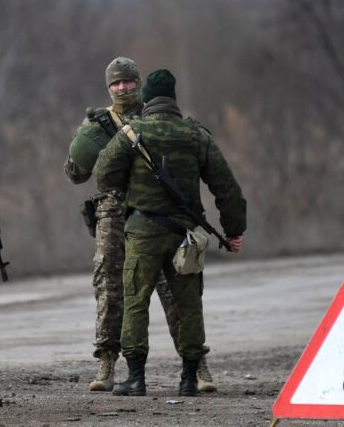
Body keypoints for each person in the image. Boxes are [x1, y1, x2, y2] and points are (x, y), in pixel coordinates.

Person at [64, 57, 216, 392]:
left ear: (139, 82)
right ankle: (107, 365)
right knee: (110, 287)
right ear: (108, 87)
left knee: (177, 286)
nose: (123, 88)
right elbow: (75, 173)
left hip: (154, 215)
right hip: (113, 217)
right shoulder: (100, 123)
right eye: (116, 84)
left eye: (129, 82)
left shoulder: (157, 115)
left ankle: (197, 364)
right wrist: (89, 139)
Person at [94, 69, 246, 396]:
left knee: (136, 301)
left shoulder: (132, 133)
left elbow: (103, 173)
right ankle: (189, 378)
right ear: (173, 100)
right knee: (189, 304)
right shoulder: (196, 135)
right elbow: (227, 188)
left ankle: (136, 378)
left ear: (146, 99)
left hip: (142, 232)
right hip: (185, 234)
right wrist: (234, 231)